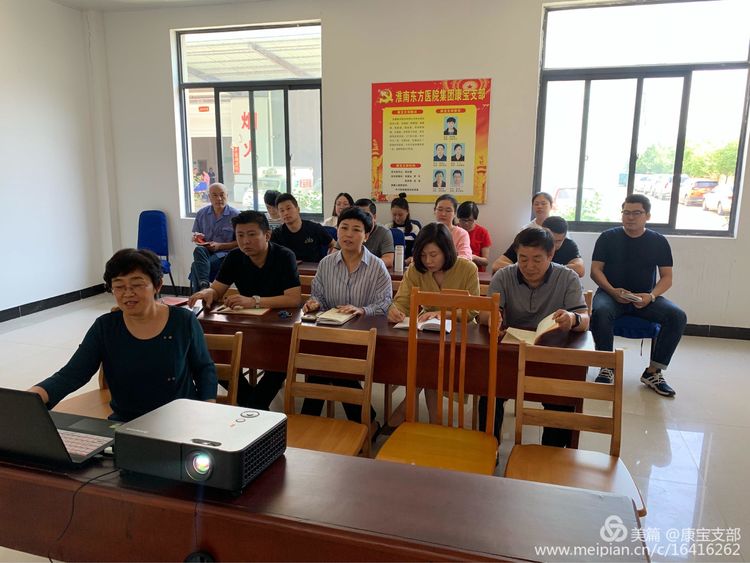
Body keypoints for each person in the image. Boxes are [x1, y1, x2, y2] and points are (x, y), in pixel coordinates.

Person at [30, 249, 217, 422]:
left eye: (137, 285)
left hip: (179, 421)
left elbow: (204, 368)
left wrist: (207, 410)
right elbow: (72, 374)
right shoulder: (106, 326)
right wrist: (31, 397)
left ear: (157, 285)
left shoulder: (182, 320)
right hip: (125, 424)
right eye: (119, 286)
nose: (128, 293)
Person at [479, 227, 590, 446]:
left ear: (551, 255)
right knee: (490, 393)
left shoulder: (567, 277)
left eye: (537, 259)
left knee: (562, 401)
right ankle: (489, 449)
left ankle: (550, 454)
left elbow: (584, 319)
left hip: (551, 355)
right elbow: (484, 314)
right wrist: (492, 317)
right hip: (512, 352)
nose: (529, 266)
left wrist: (572, 318)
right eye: (523, 259)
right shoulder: (504, 275)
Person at [189, 211, 301, 409]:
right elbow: (217, 289)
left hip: (279, 327)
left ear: (267, 235)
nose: (245, 241)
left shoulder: (284, 256)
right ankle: (254, 405)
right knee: (218, 361)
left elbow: (293, 299)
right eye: (240, 235)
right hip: (246, 325)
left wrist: (254, 301)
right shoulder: (234, 257)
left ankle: (254, 406)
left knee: (280, 363)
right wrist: (207, 292)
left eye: (251, 234)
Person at [301, 206, 392, 429]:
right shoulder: (326, 263)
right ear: (337, 230)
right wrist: (314, 303)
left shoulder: (377, 266)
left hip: (363, 338)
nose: (348, 234)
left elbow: (384, 304)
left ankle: (307, 421)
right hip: (330, 334)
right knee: (326, 361)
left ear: (366, 235)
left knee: (326, 364)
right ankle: (366, 421)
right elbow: (318, 295)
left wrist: (362, 310)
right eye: (344, 228)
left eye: (356, 230)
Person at [590, 194, 686, 397]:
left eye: (636, 213)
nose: (630, 217)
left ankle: (653, 372)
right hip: (611, 294)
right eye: (626, 212)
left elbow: (667, 277)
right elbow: (595, 271)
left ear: (647, 216)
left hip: (644, 298)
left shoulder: (658, 241)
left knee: (677, 316)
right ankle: (606, 366)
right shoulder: (607, 237)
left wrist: (651, 296)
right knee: (600, 311)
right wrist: (612, 291)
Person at [387, 223, 480, 425]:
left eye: (433, 255)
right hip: (428, 332)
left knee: (428, 365)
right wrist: (395, 311)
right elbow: (403, 301)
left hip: (462, 336)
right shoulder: (415, 270)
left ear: (447, 251)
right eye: (422, 255)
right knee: (426, 359)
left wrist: (444, 313)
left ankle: (408, 408)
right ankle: (433, 421)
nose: (428, 261)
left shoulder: (467, 268)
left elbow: (473, 309)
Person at [492, 216, 585, 277]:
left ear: (564, 237)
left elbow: (580, 270)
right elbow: (497, 265)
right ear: (542, 231)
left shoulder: (569, 245)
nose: (552, 245)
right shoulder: (527, 242)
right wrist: (524, 269)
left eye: (558, 241)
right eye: (550, 239)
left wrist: (548, 269)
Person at [189, 183, 239, 291]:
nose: (219, 198)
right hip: (206, 251)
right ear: (209, 197)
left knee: (195, 267)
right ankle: (204, 288)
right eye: (215, 195)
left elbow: (240, 243)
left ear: (227, 196)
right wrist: (197, 238)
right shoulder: (201, 213)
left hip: (226, 254)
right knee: (198, 250)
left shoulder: (236, 215)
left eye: (222, 195)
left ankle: (201, 291)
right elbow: (197, 235)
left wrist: (220, 246)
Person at [271, 193, 335, 262]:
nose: (285, 213)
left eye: (288, 208)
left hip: (313, 268)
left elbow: (334, 244)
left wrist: (329, 260)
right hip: (289, 268)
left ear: (298, 209)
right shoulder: (276, 235)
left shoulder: (314, 228)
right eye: (282, 210)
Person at [353, 198, 395, 269]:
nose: (362, 220)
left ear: (374, 217)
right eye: (357, 217)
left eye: (366, 216)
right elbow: (335, 254)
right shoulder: (348, 230)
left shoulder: (384, 232)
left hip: (373, 271)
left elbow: (389, 260)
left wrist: (363, 264)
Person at [434, 194, 472, 260]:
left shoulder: (461, 234)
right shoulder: (427, 231)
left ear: (454, 214)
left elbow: (465, 257)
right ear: (435, 211)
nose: (443, 214)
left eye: (448, 210)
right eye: (440, 209)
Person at [457, 201, 492, 271]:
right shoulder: (454, 230)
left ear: (475, 219)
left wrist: (473, 257)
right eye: (463, 220)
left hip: (475, 271)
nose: (466, 223)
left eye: (470, 220)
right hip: (457, 270)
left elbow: (485, 262)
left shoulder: (482, 232)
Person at [386, 192, 420, 259]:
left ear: (407, 212)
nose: (397, 218)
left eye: (400, 215)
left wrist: (411, 258)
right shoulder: (387, 228)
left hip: (410, 262)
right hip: (392, 262)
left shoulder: (414, 229)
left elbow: (418, 249)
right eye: (394, 214)